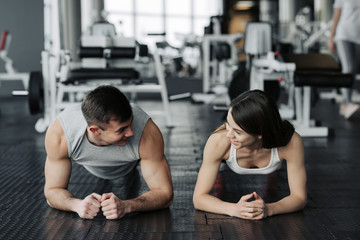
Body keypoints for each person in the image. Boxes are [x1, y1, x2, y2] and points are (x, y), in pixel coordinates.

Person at [44, 85, 173, 219]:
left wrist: (127, 206)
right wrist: (77, 205)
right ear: (95, 131)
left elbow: (165, 194)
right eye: (121, 130)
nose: (131, 132)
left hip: (130, 163)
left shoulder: (146, 133)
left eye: (130, 123)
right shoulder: (61, 134)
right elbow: (52, 191)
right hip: (92, 165)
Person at [193, 90, 307, 220]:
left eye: (237, 131)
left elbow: (299, 197)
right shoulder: (218, 141)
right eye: (228, 124)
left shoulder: (291, 142)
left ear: (260, 134)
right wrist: (234, 209)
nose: (229, 134)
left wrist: (270, 209)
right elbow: (199, 198)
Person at [329, 0, 360, 119]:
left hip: (359, 37)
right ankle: (347, 103)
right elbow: (336, 16)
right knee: (349, 67)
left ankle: (347, 103)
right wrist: (331, 37)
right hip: (344, 35)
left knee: (356, 69)